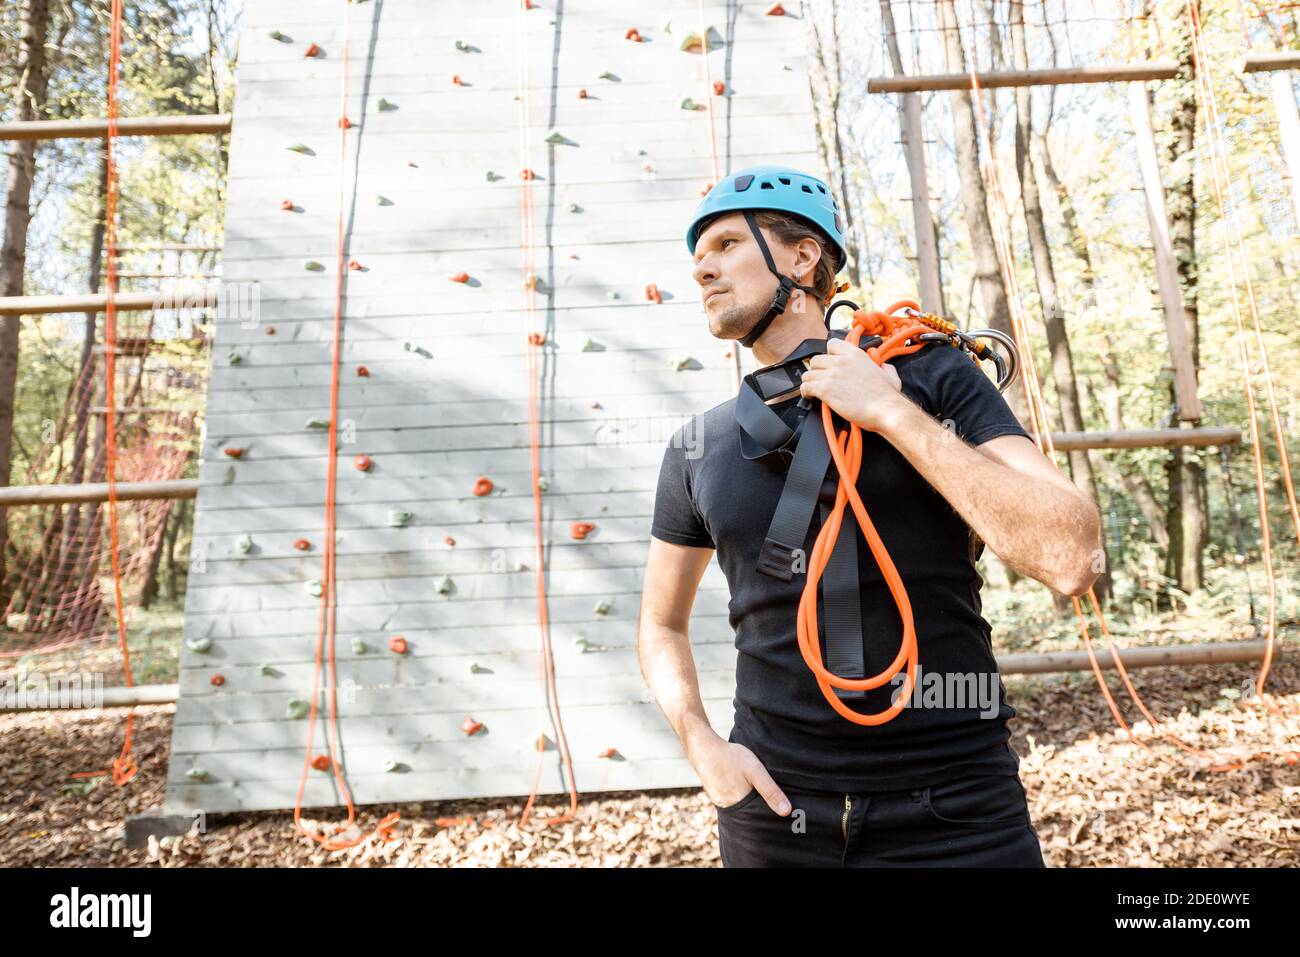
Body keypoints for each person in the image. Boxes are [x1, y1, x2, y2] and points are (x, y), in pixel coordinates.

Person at [636, 164, 1102, 867]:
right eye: (698, 257)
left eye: (728, 244)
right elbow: (659, 623)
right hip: (774, 813)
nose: (704, 269)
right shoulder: (698, 448)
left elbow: (1072, 556)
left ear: (802, 257)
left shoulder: (930, 379)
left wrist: (889, 412)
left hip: (958, 812)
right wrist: (701, 742)